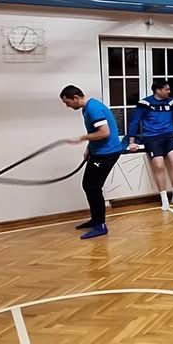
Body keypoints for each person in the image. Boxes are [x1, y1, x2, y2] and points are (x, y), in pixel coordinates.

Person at [60, 85, 123, 239]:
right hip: (98, 151)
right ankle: (96, 220)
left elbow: (104, 132)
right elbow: (95, 132)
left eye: (67, 102)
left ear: (75, 98)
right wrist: (89, 148)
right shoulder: (87, 108)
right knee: (89, 186)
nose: (67, 106)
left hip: (107, 153)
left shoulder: (93, 109)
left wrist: (82, 139)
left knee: (92, 187)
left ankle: (100, 225)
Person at [127, 79, 173, 210]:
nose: (169, 91)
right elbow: (135, 121)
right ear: (158, 90)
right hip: (152, 138)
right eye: (166, 89)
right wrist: (131, 142)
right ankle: (164, 199)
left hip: (169, 136)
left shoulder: (172, 102)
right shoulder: (145, 103)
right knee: (159, 165)